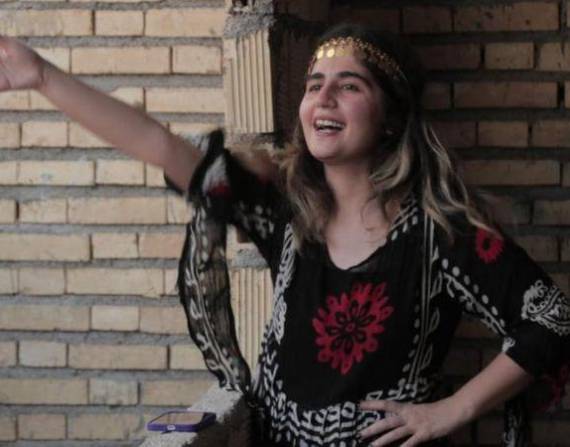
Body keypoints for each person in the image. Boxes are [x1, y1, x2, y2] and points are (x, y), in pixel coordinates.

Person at [1, 22, 569, 447]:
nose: (323, 98)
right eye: (314, 84)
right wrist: (42, 76)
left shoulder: (440, 236)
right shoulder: (288, 217)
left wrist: (453, 409)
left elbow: (553, 317)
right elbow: (161, 147)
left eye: (349, 86)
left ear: (391, 118)